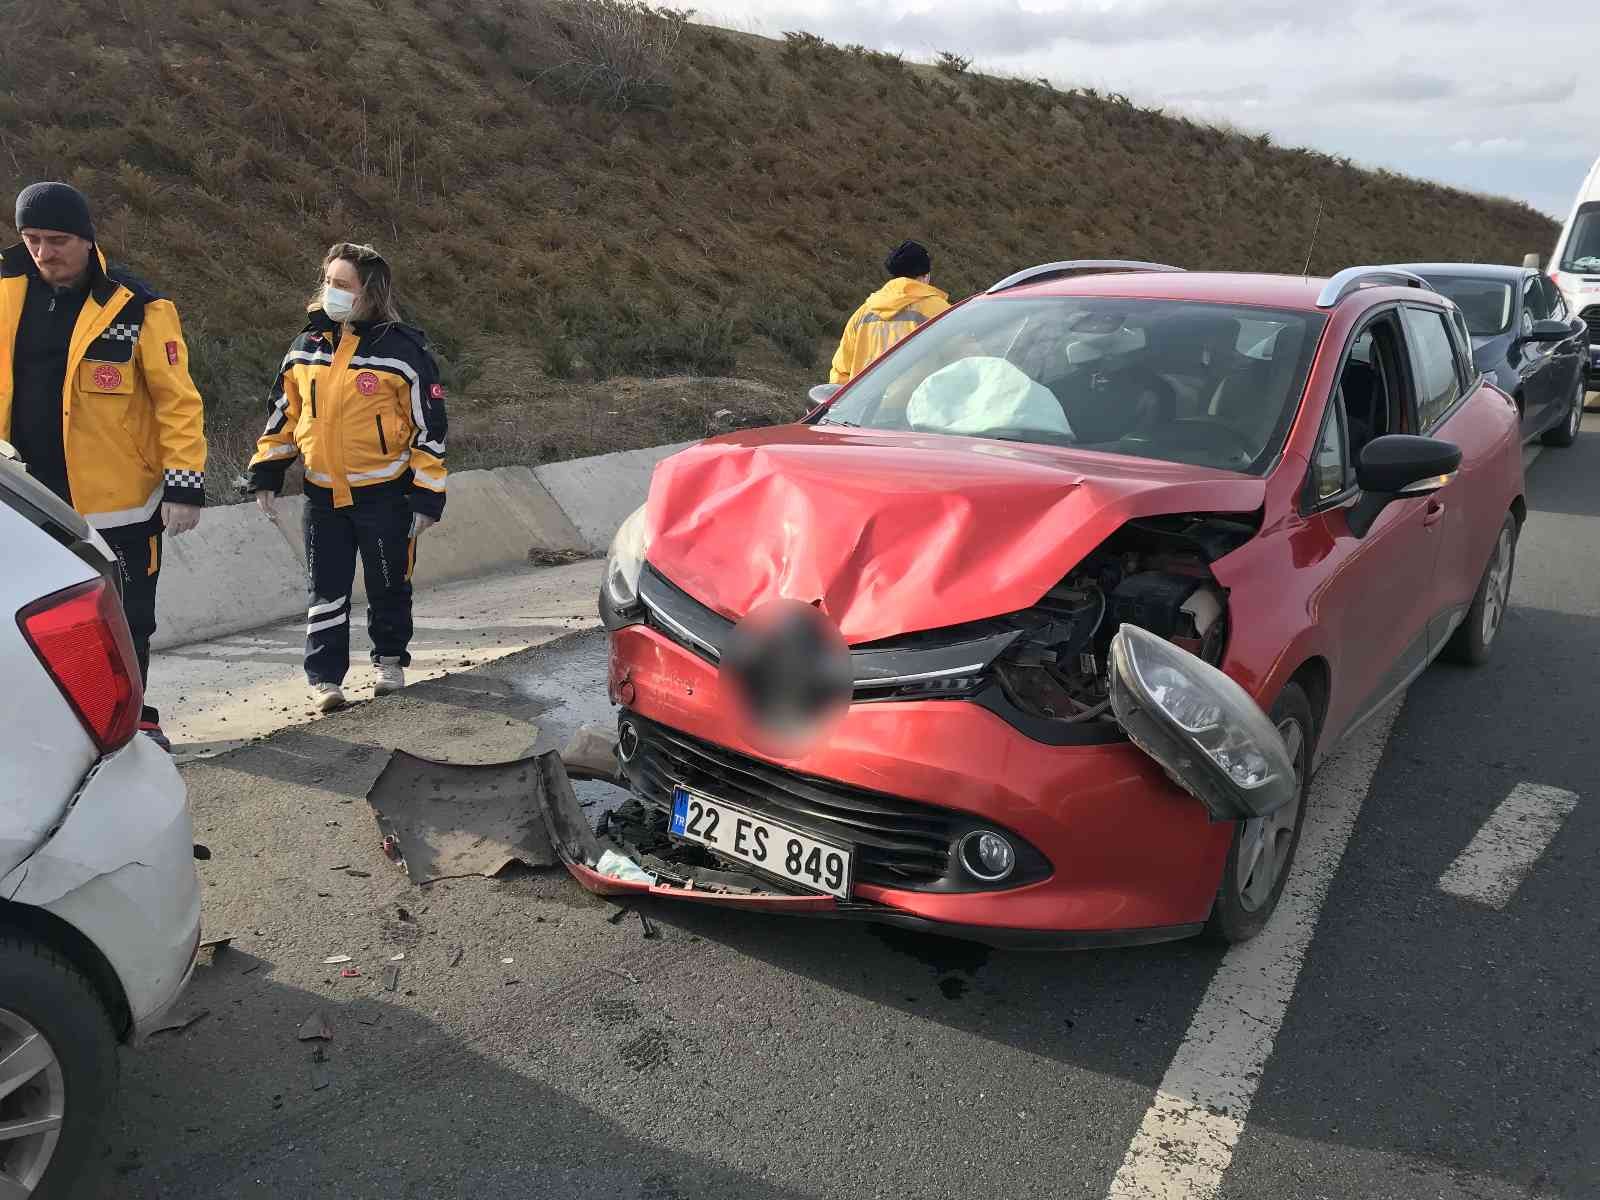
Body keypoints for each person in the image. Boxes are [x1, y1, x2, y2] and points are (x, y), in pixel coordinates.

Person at [1, 182, 207, 751]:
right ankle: (58, 728)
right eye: (32, 239)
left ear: (87, 239)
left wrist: (184, 485)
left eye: (58, 240)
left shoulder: (138, 306)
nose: (44, 252)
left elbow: (177, 402)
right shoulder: (5, 290)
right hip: (26, 498)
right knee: (37, 620)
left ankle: (136, 721)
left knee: (128, 617)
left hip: (120, 502)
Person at [247, 243, 447, 713]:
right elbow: (284, 415)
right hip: (321, 497)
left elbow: (429, 429)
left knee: (389, 585)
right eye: (328, 282)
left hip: (386, 498)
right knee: (325, 589)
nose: (330, 292)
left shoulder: (404, 353)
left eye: (342, 285)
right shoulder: (305, 347)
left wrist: (427, 495)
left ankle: (389, 662)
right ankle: (325, 679)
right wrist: (267, 471)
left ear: (369, 293)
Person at [828, 239, 951, 385]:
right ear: (926, 275)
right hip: (918, 399)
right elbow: (962, 361)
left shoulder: (861, 315)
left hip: (867, 399)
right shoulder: (940, 311)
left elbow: (840, 374)